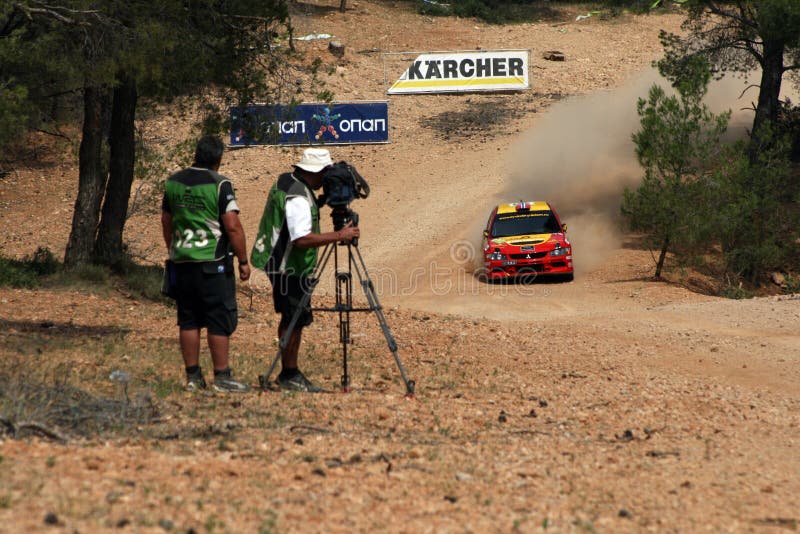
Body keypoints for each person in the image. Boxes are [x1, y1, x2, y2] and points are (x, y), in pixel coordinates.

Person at [251, 148, 359, 392]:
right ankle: (289, 373)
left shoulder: (287, 181)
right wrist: (339, 235)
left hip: (277, 259)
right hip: (287, 265)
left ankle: (288, 371)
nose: (327, 180)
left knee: (292, 317)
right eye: (326, 173)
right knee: (295, 318)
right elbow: (301, 239)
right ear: (317, 172)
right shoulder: (299, 197)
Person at [161, 135, 251, 392]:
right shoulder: (220, 184)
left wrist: (173, 248)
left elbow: (166, 220)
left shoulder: (173, 182)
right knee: (217, 318)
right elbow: (232, 226)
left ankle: (192, 376)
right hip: (212, 262)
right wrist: (243, 260)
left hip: (182, 260)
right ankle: (222, 376)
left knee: (188, 319)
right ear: (218, 159)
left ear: (196, 153)